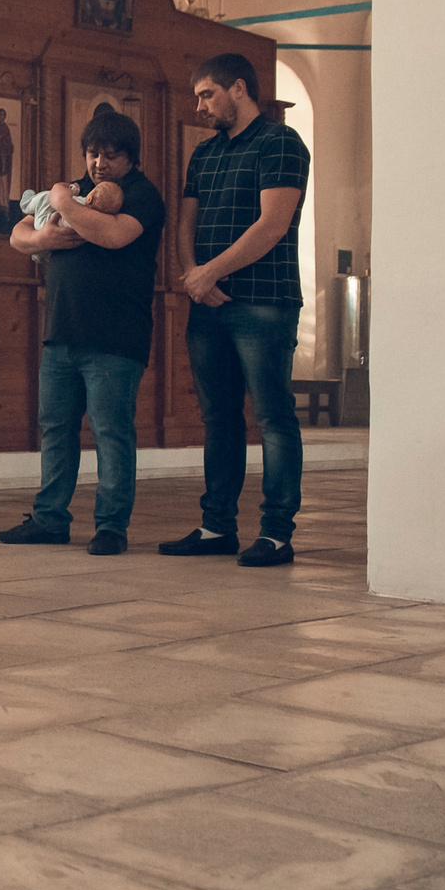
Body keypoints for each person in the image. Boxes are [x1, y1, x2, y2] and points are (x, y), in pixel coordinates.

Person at [160, 52, 309, 568]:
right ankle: (217, 526)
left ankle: (275, 534)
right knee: (218, 419)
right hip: (209, 304)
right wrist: (193, 277)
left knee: (272, 417)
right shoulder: (204, 154)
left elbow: (273, 224)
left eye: (207, 94)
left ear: (239, 89)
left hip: (264, 302)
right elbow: (185, 223)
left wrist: (211, 272)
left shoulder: (281, 143)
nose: (200, 105)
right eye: (198, 96)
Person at [0, 110, 166, 555]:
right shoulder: (76, 190)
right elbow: (19, 233)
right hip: (62, 333)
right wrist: (43, 240)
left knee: (111, 433)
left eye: (110, 156)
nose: (98, 164)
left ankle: (112, 526)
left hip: (115, 339)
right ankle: (49, 519)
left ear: (130, 157)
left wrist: (65, 202)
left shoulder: (143, 196)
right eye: (92, 154)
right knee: (54, 428)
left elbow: (111, 236)